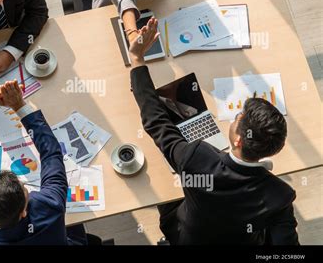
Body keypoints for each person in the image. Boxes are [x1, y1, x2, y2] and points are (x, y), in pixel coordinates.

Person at [127, 18, 299, 245]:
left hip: (186, 237)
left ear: (238, 140)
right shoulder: (280, 195)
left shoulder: (198, 158)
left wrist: (137, 59)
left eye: (239, 118)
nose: (236, 117)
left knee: (165, 192)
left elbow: (157, 123)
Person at [0, 80, 88, 245]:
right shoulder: (49, 206)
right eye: (24, 189)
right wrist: (19, 106)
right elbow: (51, 153)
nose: (26, 188)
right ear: (24, 213)